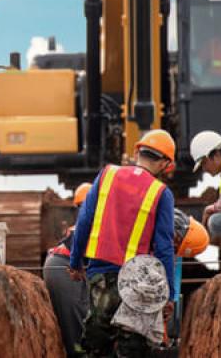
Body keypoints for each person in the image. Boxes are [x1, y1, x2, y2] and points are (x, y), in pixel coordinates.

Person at [68, 130, 177, 358]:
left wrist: (76, 262)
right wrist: (169, 296)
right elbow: (164, 248)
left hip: (102, 275)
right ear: (166, 163)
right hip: (139, 283)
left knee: (96, 347)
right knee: (132, 350)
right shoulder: (161, 192)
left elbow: (84, 221)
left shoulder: (107, 175)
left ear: (137, 151)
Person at [44, 182, 92, 357]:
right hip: (63, 267)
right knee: (76, 326)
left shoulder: (86, 222)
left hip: (63, 265)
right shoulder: (87, 224)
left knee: (80, 319)